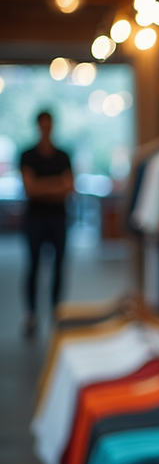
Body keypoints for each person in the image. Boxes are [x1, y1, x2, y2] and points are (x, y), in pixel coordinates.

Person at [19, 110, 74, 337]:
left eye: (48, 125)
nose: (45, 128)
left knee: (59, 267)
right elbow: (29, 189)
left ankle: (56, 312)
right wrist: (55, 187)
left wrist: (42, 187)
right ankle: (31, 314)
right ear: (38, 126)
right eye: (42, 125)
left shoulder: (63, 155)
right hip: (35, 219)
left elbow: (69, 188)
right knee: (33, 266)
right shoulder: (27, 155)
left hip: (58, 218)